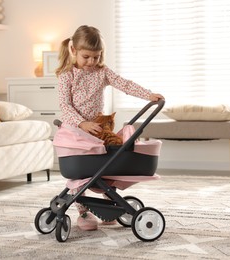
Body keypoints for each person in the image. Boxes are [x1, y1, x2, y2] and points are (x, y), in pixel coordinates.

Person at [55, 25, 164, 231]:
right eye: (86, 57)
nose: (91, 62)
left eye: (96, 57)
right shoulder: (66, 75)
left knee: (104, 165)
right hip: (75, 132)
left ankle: (109, 200)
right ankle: (83, 211)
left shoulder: (102, 72)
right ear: (73, 51)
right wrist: (81, 123)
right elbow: (65, 106)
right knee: (81, 174)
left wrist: (148, 95)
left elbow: (125, 84)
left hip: (98, 131)